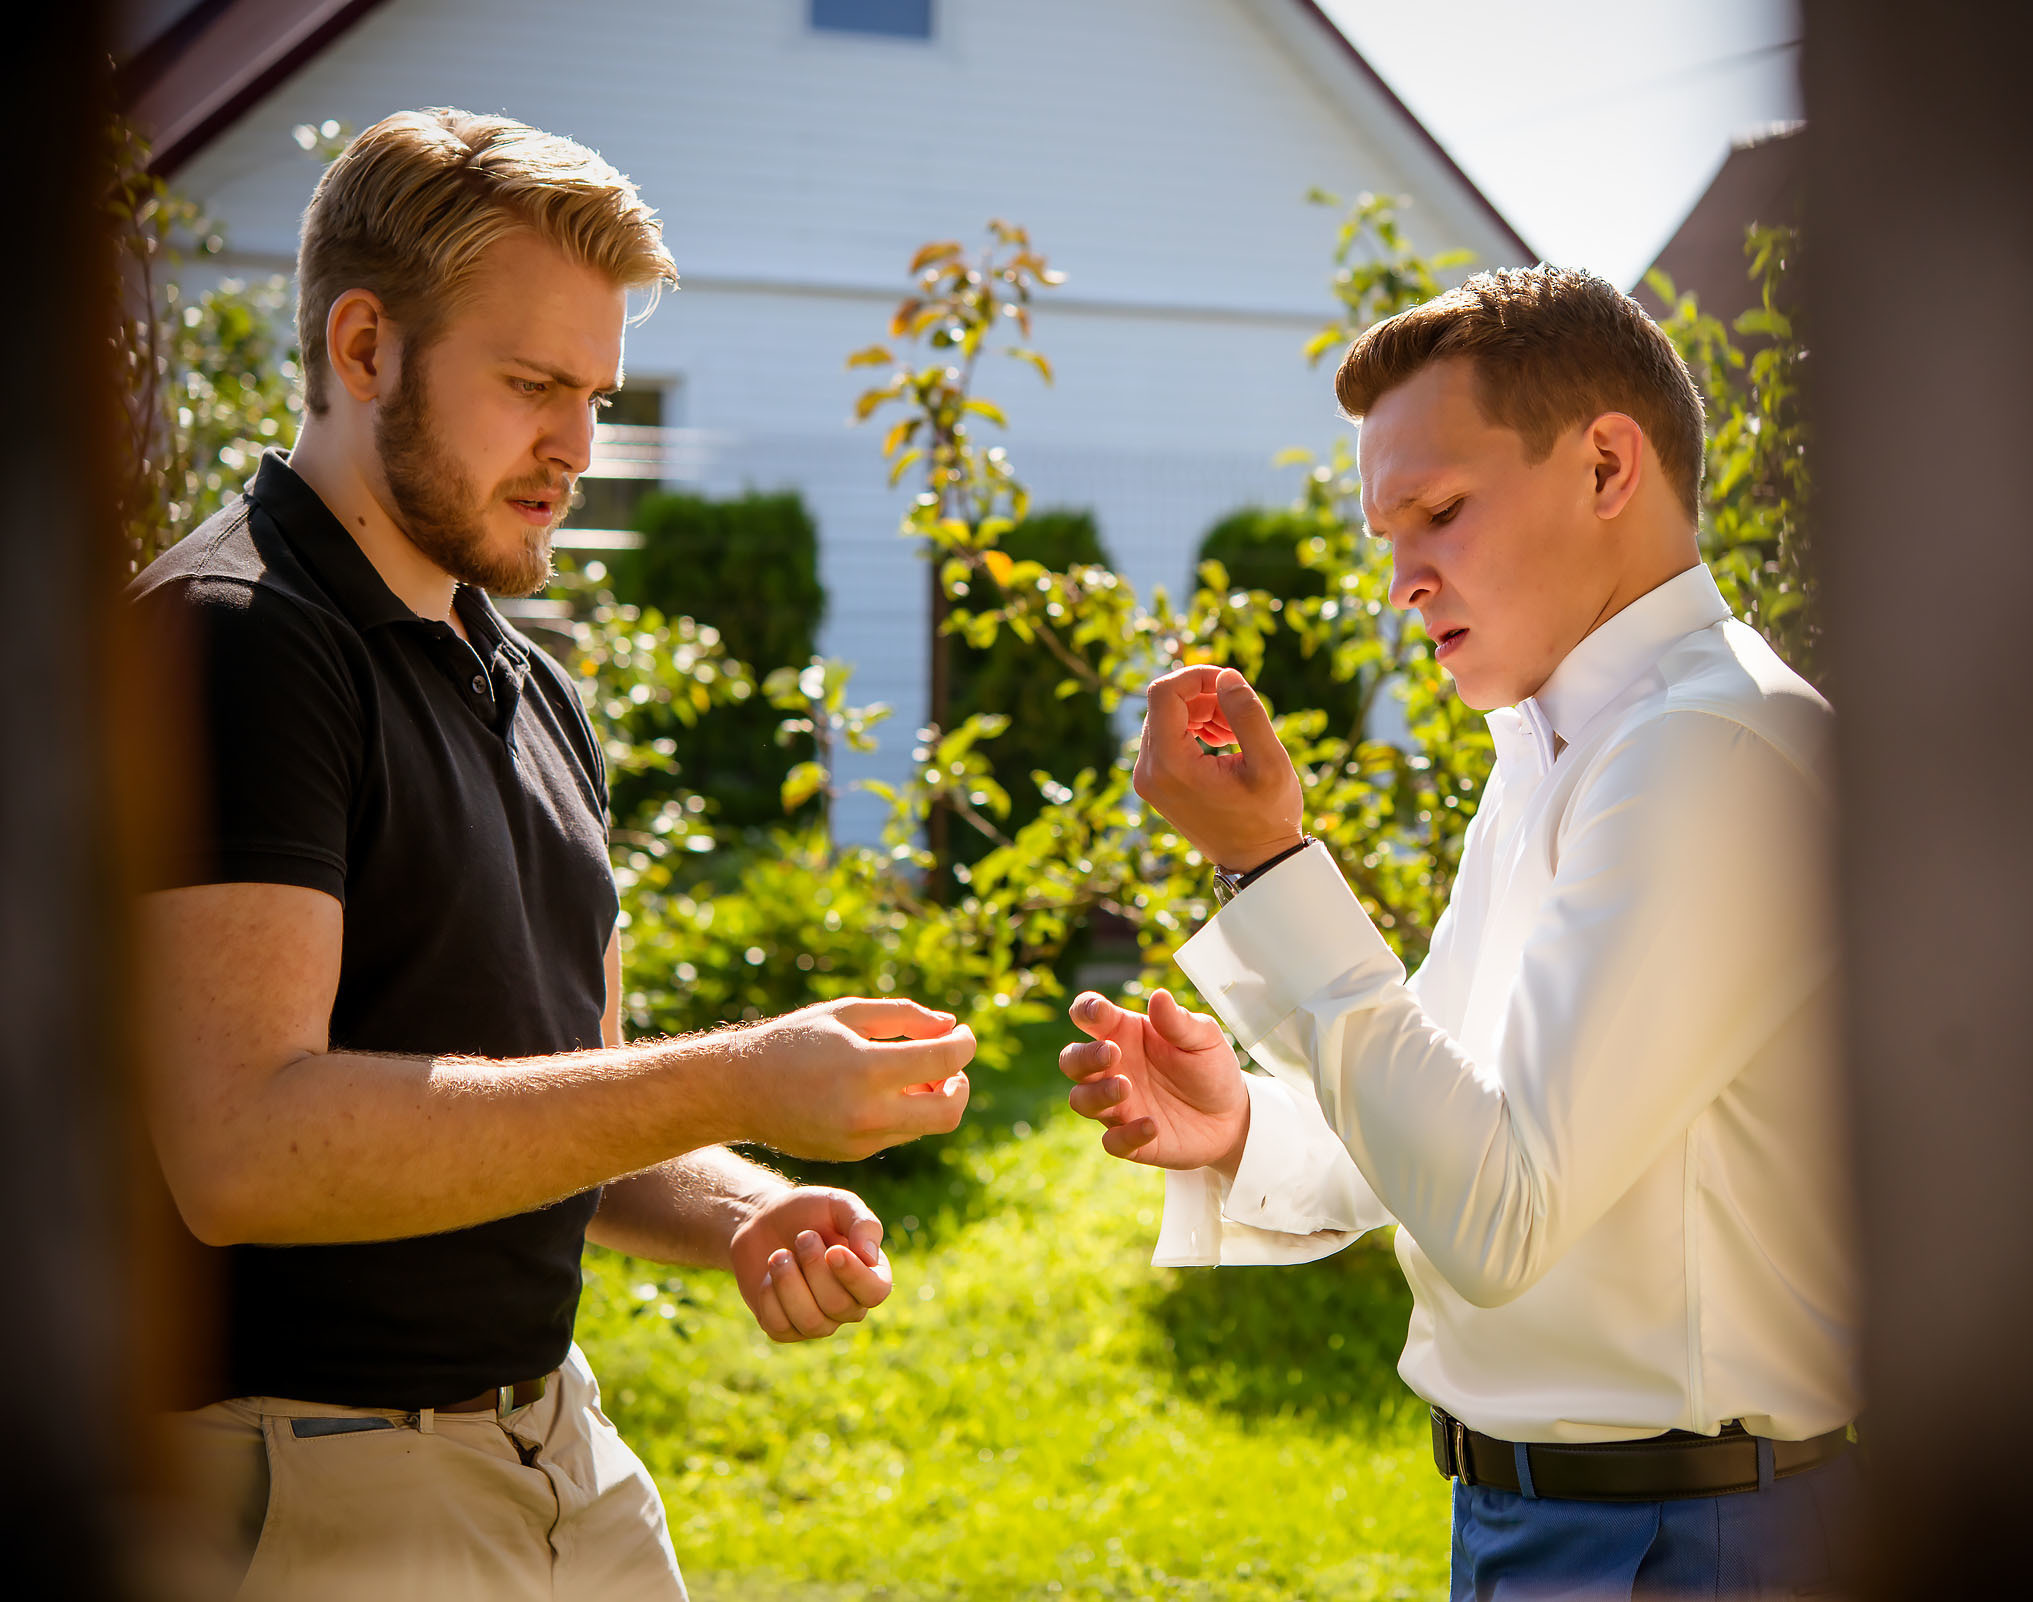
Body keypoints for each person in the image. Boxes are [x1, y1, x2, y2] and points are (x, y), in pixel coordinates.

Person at [132, 109, 975, 1602]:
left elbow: (569, 1103)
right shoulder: (238, 639)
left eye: (595, 393)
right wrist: (738, 1074)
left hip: (555, 1443)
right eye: (532, 387)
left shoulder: (528, 678)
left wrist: (738, 1207)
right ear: (365, 344)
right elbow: (241, 1146)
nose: (578, 447)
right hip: (322, 1485)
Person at [1061, 266, 1860, 1598]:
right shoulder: (1560, 743)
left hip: (1686, 1541)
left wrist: (1269, 861)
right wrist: (1248, 1131)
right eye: (1387, 535)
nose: (1402, 581)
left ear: (1608, 464)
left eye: (1438, 512)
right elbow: (1458, 1118)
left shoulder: (1705, 747)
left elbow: (1500, 1212)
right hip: (1563, 1522)